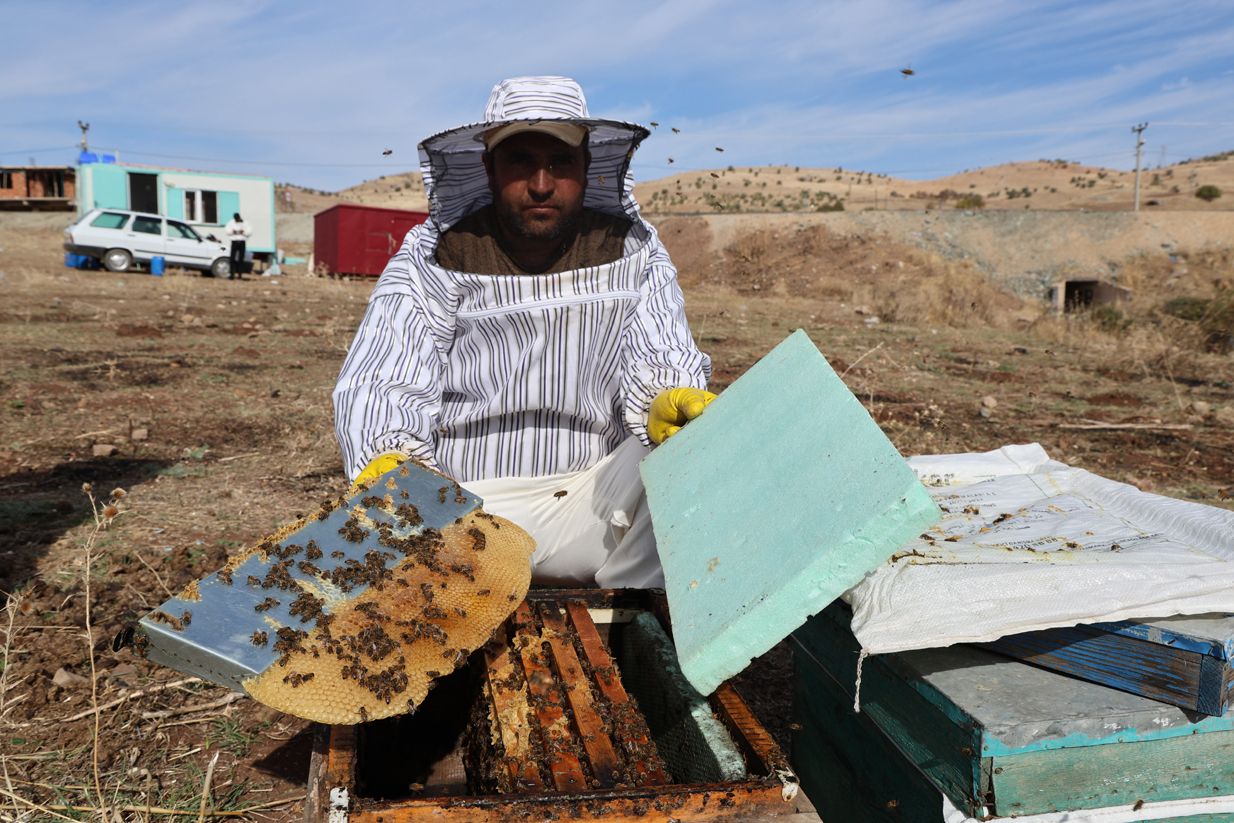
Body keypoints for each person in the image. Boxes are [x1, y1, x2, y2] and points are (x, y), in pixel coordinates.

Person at [333, 77, 712, 589]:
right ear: (489, 169)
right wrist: (389, 456)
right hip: (465, 508)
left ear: (587, 167)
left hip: (593, 498)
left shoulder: (634, 251)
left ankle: (631, 623)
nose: (540, 184)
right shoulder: (432, 256)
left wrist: (664, 398)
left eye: (560, 162)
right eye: (520, 161)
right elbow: (382, 379)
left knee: (689, 461)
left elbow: (659, 351)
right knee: (372, 536)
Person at [224, 212, 251, 280]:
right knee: (232, 258)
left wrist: (243, 232)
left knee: (241, 259)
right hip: (234, 241)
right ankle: (232, 274)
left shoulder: (245, 223)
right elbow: (227, 231)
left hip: (242, 241)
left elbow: (249, 232)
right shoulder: (231, 223)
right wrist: (233, 231)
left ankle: (240, 275)